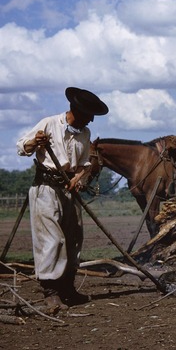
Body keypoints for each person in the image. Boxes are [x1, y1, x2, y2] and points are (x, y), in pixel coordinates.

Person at [16, 87, 109, 312]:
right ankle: (51, 292)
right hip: (46, 189)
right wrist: (36, 142)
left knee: (74, 237)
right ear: (75, 111)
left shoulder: (84, 134)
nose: (91, 121)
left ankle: (68, 289)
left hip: (69, 191)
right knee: (52, 240)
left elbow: (85, 164)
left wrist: (78, 177)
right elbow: (22, 148)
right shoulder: (48, 124)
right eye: (88, 115)